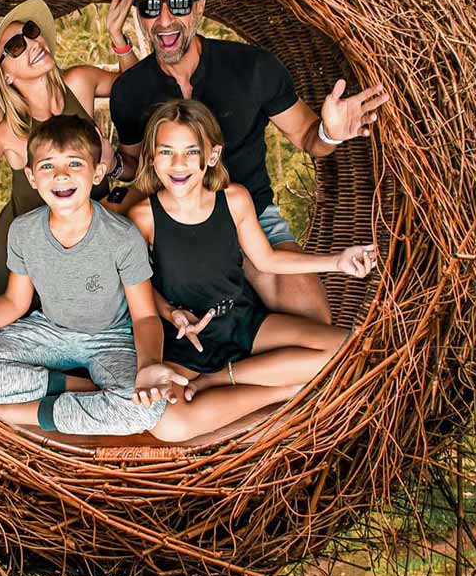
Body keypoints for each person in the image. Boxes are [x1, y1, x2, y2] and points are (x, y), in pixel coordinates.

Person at [0, 114, 299, 440]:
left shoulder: (121, 236)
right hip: (48, 332)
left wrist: (147, 365)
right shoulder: (24, 231)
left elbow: (144, 316)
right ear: (32, 177)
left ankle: (21, 413)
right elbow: (15, 303)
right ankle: (77, 389)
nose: (61, 176)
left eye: (74, 164)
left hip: (110, 338)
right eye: (48, 167)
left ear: (96, 173)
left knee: (146, 408)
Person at [109, 0, 388, 324]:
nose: (163, 20)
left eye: (178, 4)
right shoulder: (130, 90)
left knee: (315, 327)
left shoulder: (252, 68)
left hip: (252, 214)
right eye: (149, 8)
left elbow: (307, 136)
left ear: (200, 7)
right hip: (172, 228)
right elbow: (132, 166)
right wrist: (108, 162)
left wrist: (329, 132)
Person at [128, 99, 373, 397]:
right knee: (169, 421)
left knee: (346, 348)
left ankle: (218, 380)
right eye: (166, 152)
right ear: (152, 158)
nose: (179, 164)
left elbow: (267, 260)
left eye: (191, 152)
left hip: (239, 318)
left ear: (212, 155)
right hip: (185, 335)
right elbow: (138, 286)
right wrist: (170, 313)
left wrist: (337, 262)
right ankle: (273, 386)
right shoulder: (143, 217)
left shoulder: (234, 200)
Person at [0, 0, 137, 298]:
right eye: (16, 46)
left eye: (31, 32)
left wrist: (118, 38)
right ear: (4, 76)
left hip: (93, 248)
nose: (33, 43)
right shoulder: (10, 133)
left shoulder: (79, 82)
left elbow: (138, 86)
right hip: (29, 271)